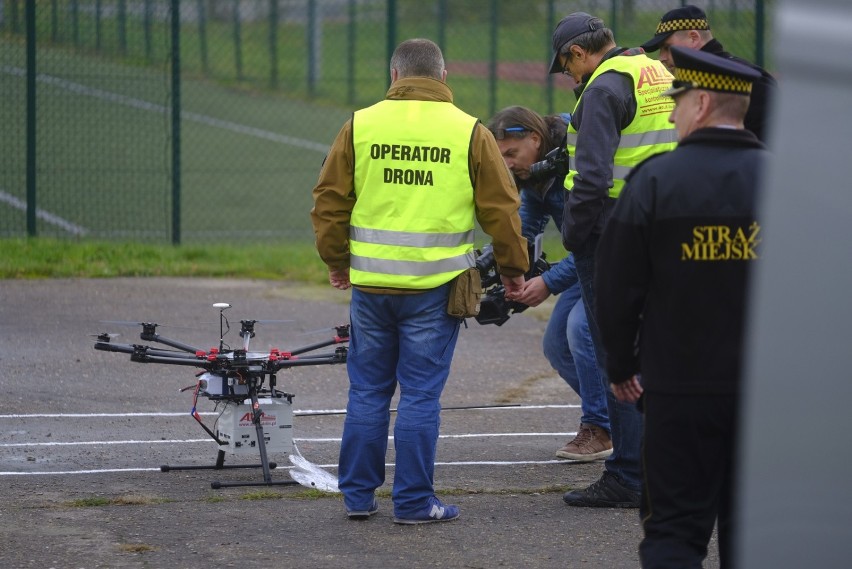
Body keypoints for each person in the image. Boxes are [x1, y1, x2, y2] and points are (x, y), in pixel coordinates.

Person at [311, 38, 529, 525]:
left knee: (367, 391)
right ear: (444, 79)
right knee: (420, 395)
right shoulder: (469, 131)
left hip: (371, 288)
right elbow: (501, 208)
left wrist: (336, 259)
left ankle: (357, 497)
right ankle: (412, 503)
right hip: (436, 289)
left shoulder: (361, 124)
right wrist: (514, 272)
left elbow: (328, 200)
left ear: (394, 77)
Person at [595, 47, 768, 568]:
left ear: (705, 102)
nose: (671, 114)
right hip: (769, 394)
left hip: (678, 388)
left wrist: (622, 366)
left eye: (679, 102)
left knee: (673, 531)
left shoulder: (653, 182)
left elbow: (616, 287)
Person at [547, 12, 678, 508]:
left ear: (578, 53)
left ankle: (626, 474)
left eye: (566, 67)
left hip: (612, 236)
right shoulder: (658, 72)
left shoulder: (602, 89)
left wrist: (576, 236)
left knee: (616, 355)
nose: (569, 78)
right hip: (663, 227)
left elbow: (593, 177)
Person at [487, 105, 611, 461]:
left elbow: (594, 242)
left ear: (536, 139)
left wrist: (548, 283)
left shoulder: (579, 158)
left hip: (614, 261)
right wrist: (506, 265)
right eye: (501, 158)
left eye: (512, 153)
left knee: (579, 330)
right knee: (557, 344)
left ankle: (601, 428)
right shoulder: (537, 175)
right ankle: (625, 421)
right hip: (586, 263)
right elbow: (526, 227)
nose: (507, 164)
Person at [640, 4, 777, 143]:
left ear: (693, 38)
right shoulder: (710, 75)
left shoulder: (744, 80)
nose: (661, 57)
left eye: (667, 47)